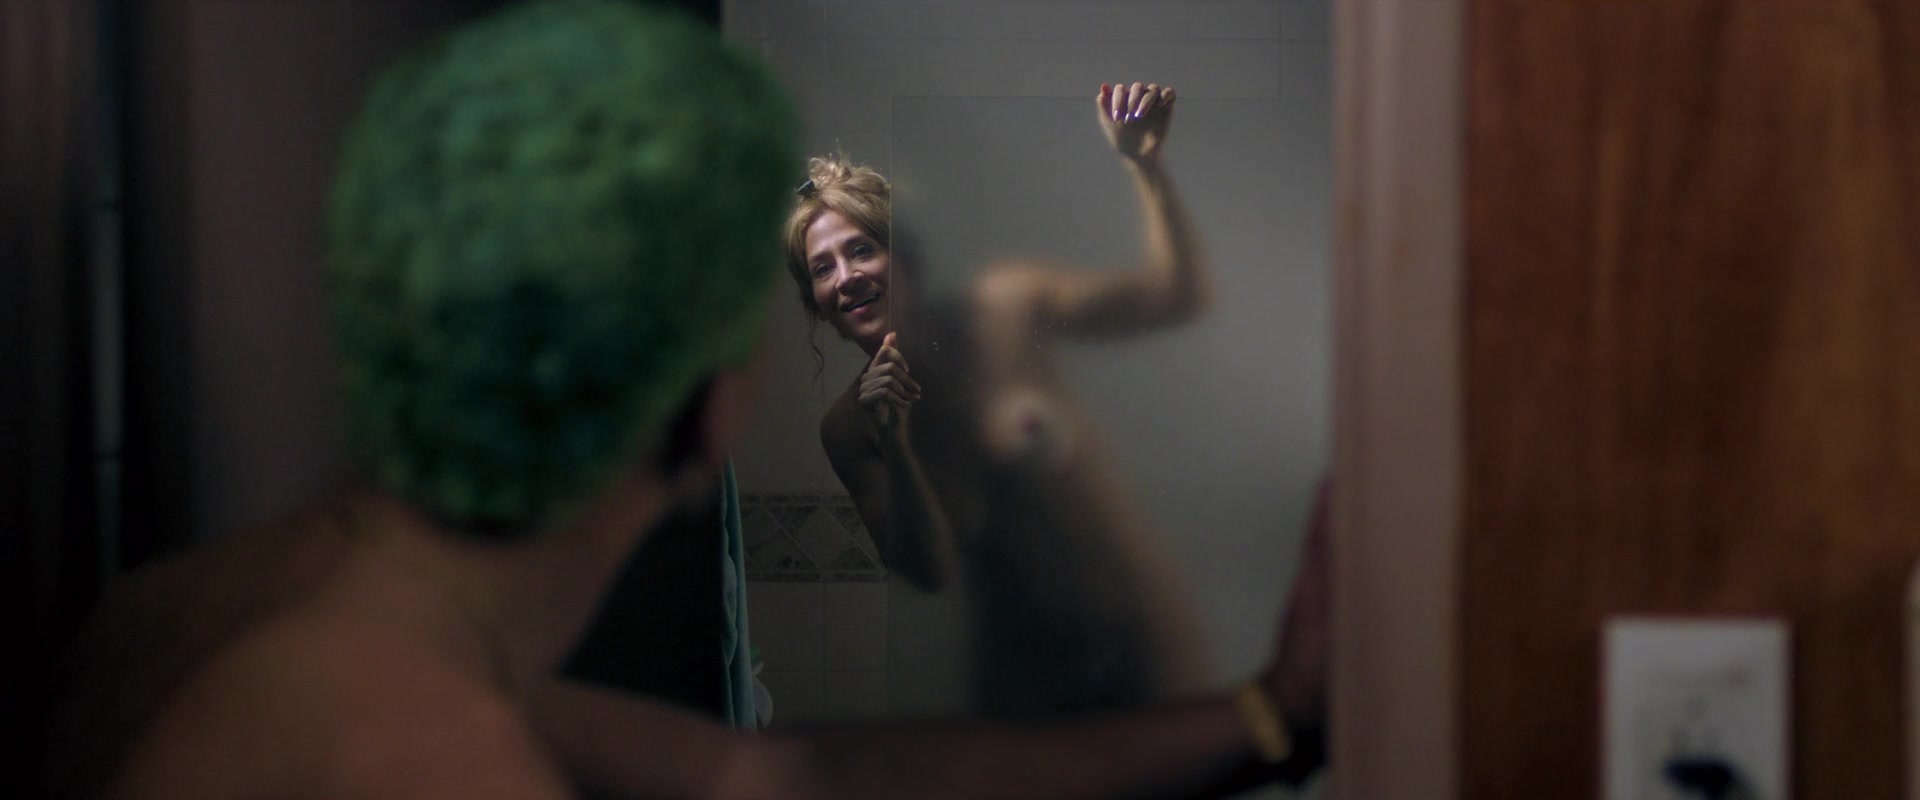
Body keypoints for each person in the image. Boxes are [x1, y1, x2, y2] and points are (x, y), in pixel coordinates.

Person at [51, 2, 1327, 797]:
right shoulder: (448, 755)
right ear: (712, 409)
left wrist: (1264, 712)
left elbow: (779, 774)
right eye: (801, 282)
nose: (837, 285)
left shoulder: (222, 615)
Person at [788, 81, 1226, 717]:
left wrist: (1145, 165)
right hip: (1021, 682)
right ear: (819, 308)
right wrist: (895, 440)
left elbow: (1177, 296)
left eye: (861, 249)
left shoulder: (1005, 309)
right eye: (822, 267)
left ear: (903, 259)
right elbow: (931, 572)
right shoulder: (850, 428)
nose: (847, 275)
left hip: (1141, 640)